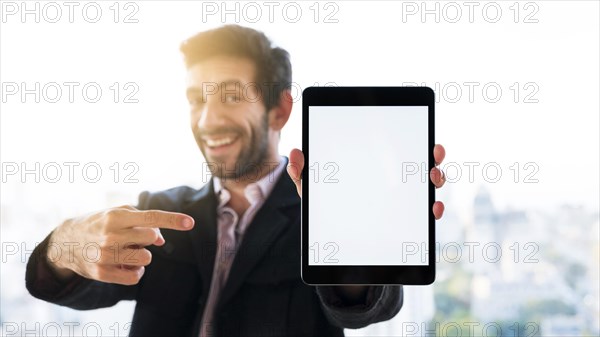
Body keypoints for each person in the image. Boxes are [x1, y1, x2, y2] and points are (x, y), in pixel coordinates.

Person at [25, 24, 447, 337]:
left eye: (230, 96)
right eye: (196, 100)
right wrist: (68, 243)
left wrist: (362, 237)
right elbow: (60, 286)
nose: (208, 120)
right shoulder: (160, 210)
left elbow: (361, 308)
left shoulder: (322, 214)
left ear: (279, 111)